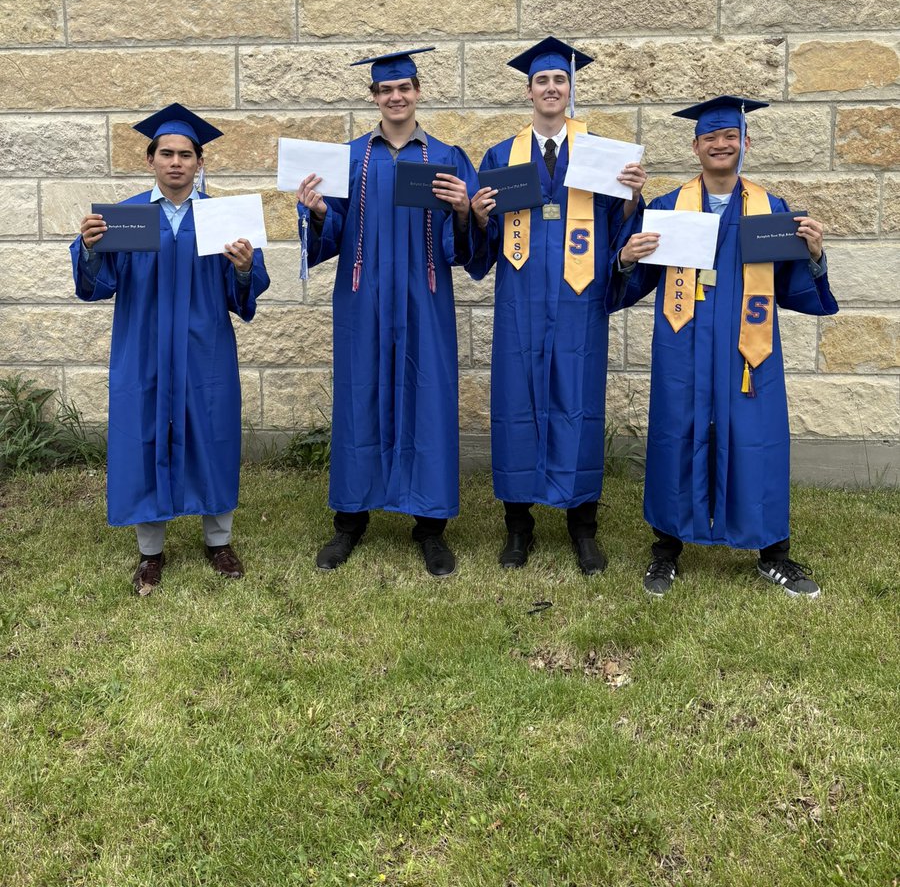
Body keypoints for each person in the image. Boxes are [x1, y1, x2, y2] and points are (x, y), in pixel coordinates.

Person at [613, 95, 838, 598]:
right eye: (710, 137)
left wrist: (817, 255)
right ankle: (666, 550)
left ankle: (773, 553)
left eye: (729, 136)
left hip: (748, 351)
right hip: (684, 345)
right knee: (677, 434)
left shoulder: (769, 210)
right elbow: (631, 280)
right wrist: (626, 258)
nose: (720, 144)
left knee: (757, 438)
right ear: (695, 147)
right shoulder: (669, 208)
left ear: (745, 143)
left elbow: (795, 284)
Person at [71, 104, 270, 595]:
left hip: (205, 351)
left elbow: (243, 290)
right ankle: (150, 553)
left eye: (186, 154)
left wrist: (244, 267)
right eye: (166, 153)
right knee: (144, 437)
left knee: (213, 434)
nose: (176, 162)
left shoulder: (221, 217)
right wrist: (92, 247)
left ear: (199, 163)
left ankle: (218, 542)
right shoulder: (127, 218)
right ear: (151, 159)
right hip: (144, 349)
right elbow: (98, 285)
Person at [296, 48, 479, 577]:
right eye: (384, 90)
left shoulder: (447, 157)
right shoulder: (348, 159)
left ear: (418, 92)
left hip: (425, 300)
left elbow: (463, 247)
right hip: (363, 298)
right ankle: (349, 522)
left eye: (404, 88)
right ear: (373, 97)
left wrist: (465, 209)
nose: (395, 97)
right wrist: (317, 211)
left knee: (429, 399)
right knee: (360, 395)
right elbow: (329, 236)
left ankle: (431, 528)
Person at [467, 37, 646, 573]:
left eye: (559, 81)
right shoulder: (501, 155)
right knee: (517, 406)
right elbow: (484, 242)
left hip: (578, 303)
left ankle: (581, 525)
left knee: (578, 405)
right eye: (541, 81)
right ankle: (518, 527)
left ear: (571, 90)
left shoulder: (602, 154)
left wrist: (633, 197)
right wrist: (477, 217)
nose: (551, 88)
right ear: (528, 91)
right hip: (520, 303)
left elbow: (623, 233)